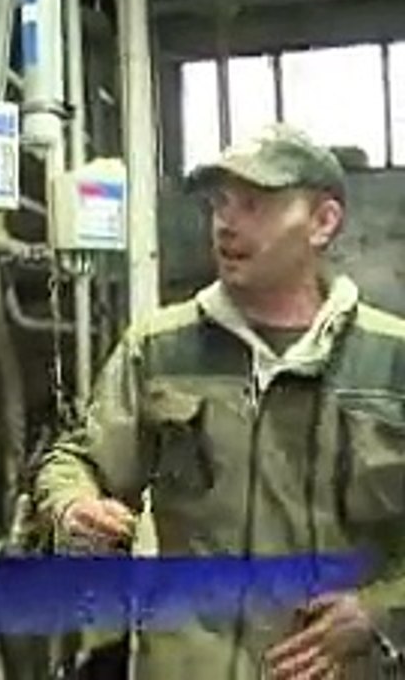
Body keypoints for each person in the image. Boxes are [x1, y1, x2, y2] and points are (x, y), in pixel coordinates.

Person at [34, 124, 405, 679]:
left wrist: (379, 614)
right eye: (220, 204)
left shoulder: (392, 359)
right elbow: (79, 460)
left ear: (323, 222)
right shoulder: (159, 349)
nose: (227, 224)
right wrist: (73, 503)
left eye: (255, 205)